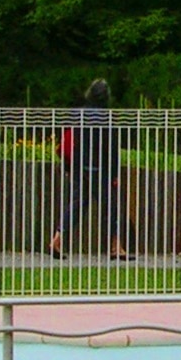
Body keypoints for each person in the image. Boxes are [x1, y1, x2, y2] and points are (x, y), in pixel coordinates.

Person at [49, 79, 133, 259]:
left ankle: (57, 239)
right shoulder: (106, 117)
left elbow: (69, 143)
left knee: (76, 205)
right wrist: (114, 173)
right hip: (101, 169)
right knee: (112, 207)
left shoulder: (77, 114)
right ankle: (116, 246)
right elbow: (110, 149)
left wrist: (68, 166)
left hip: (80, 168)